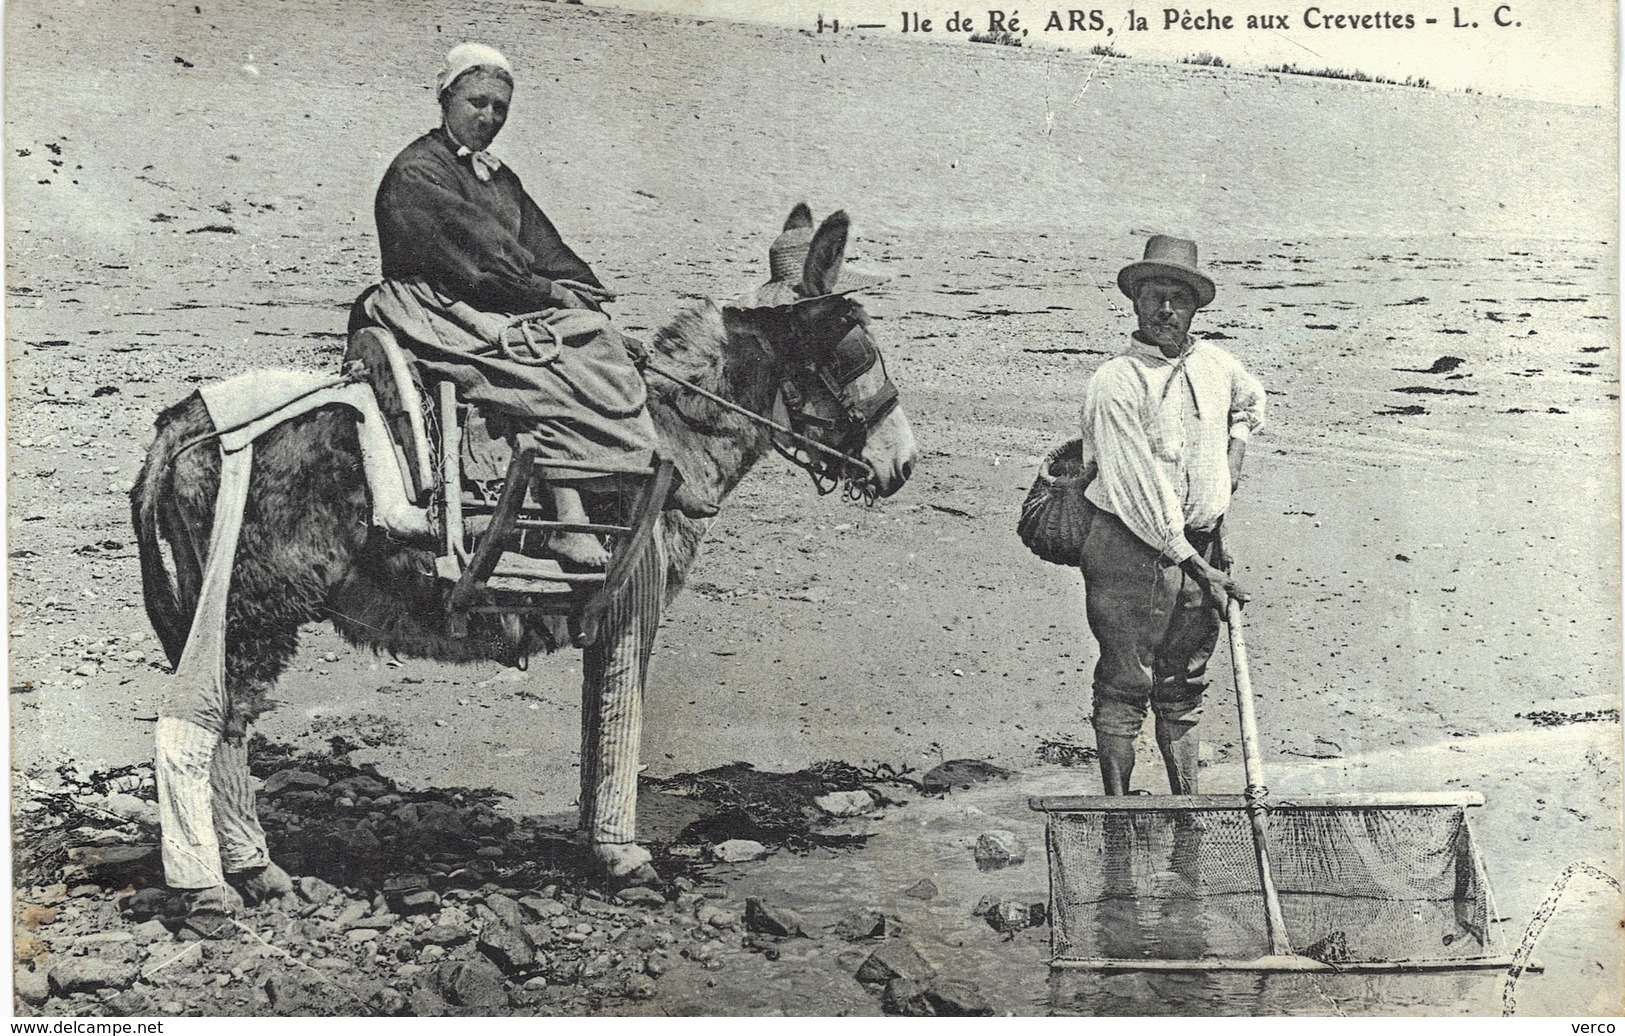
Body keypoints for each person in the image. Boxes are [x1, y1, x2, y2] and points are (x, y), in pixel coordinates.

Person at [358, 42, 711, 566]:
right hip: (428, 305)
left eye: (500, 106)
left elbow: (541, 248)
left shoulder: (499, 178)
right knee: (535, 368)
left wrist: (582, 293)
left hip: (491, 299)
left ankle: (640, 467)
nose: (489, 116)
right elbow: (482, 259)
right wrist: (551, 294)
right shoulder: (418, 172)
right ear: (447, 99)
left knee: (595, 336)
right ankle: (568, 517)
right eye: (477, 102)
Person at [1079, 235, 1267, 796]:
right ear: (1136, 302)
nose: (1166, 310)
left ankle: (1187, 808)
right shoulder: (1115, 382)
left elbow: (1251, 400)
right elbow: (1137, 493)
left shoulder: (1216, 364)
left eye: (1178, 300)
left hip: (1202, 546)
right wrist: (1200, 570)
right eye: (1156, 297)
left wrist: (1233, 456)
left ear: (1193, 307)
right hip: (1127, 549)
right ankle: (1118, 813)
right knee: (1125, 682)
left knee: (1184, 684)